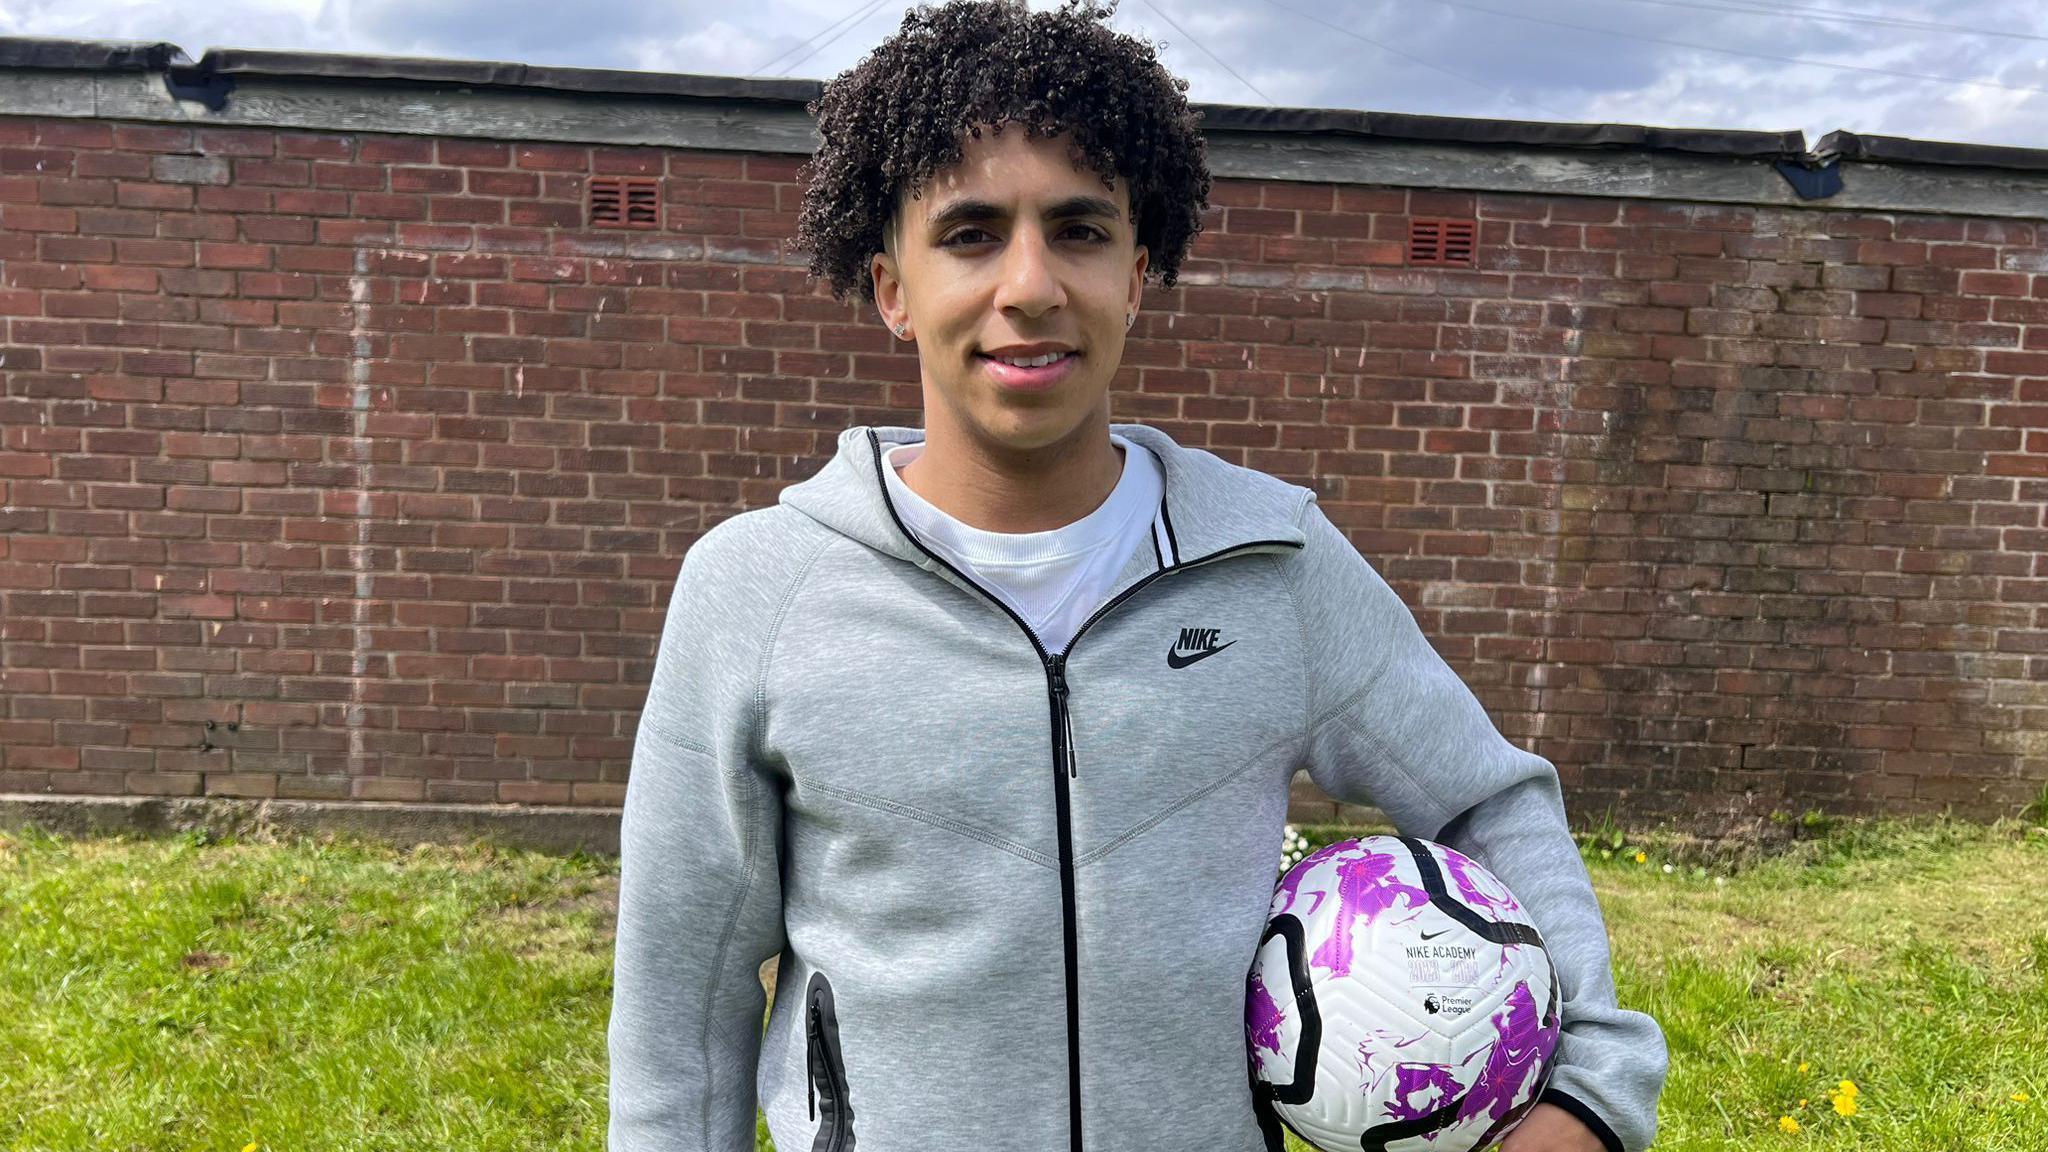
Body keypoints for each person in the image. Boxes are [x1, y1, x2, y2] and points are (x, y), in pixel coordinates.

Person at [605, 2, 1668, 1150]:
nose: (1028, 285)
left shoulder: (1272, 561)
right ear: (889, 288)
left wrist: (1591, 1086)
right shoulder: (756, 591)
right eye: (968, 234)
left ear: (1137, 269)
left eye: (1077, 230)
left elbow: (1486, 796)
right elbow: (682, 1004)